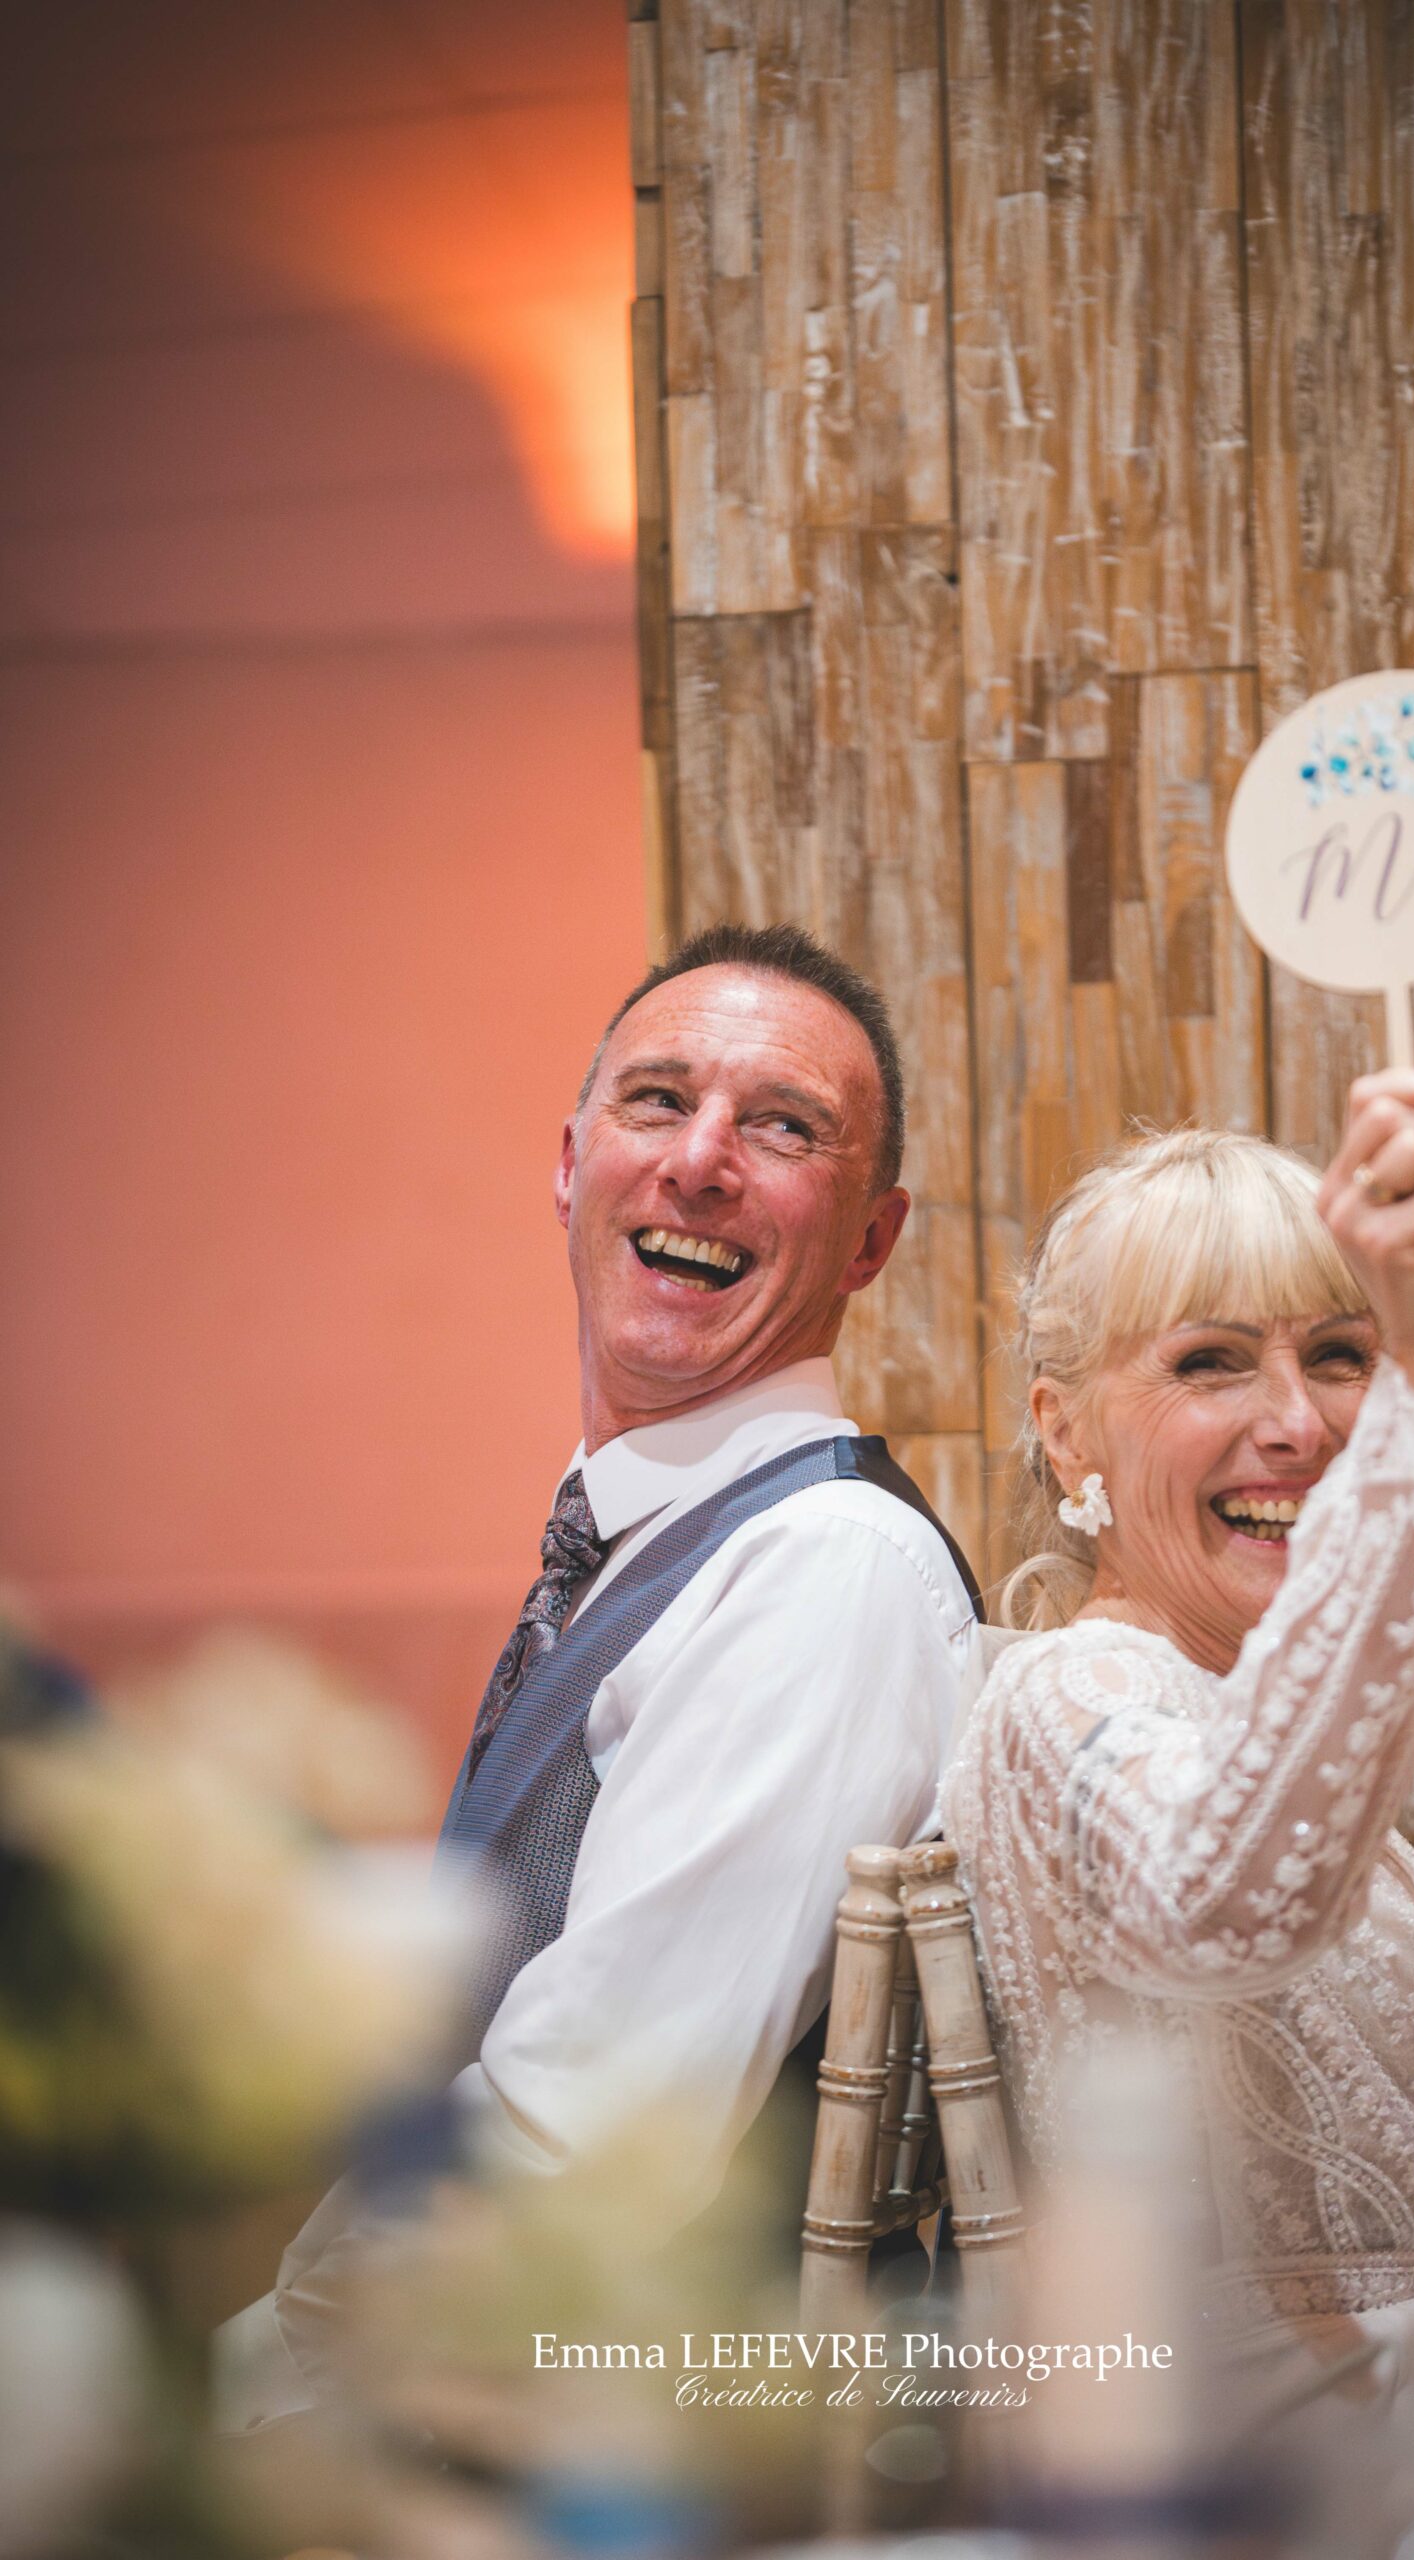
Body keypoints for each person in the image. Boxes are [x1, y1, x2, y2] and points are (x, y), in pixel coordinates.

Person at [224, 922, 980, 2423]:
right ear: (571, 1166)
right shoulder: (635, 1546)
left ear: (872, 1240)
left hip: (625, 2444)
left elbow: (582, 2141)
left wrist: (241, 2387)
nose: (701, 1160)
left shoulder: (822, 1569)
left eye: (785, 1127)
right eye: (658, 1100)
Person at [944, 1071, 1414, 2440]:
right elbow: (1225, 1905)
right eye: (1212, 1361)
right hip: (1274, 2482)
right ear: (1064, 1428)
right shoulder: (1066, 1694)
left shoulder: (1237, 1721)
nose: (1299, 1423)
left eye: (1346, 1355)